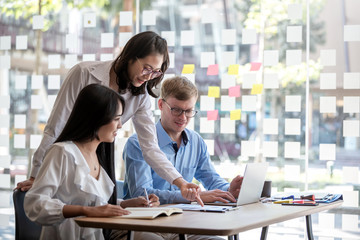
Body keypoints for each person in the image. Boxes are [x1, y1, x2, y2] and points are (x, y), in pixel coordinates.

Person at [16, 31, 203, 205]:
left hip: (101, 152)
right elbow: (56, 126)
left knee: (100, 209)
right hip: (70, 152)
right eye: (146, 68)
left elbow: (150, 148)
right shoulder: (84, 73)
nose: (149, 76)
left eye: (156, 72)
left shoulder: (141, 95)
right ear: (129, 56)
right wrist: (37, 175)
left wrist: (180, 183)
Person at [24, 84, 160, 240]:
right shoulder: (62, 152)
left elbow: (93, 202)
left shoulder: (98, 155)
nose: (120, 125)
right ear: (96, 118)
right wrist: (85, 211)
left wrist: (126, 203)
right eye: (116, 119)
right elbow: (34, 204)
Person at [117, 76, 243, 240]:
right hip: (144, 224)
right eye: (176, 110)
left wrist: (228, 191)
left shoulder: (195, 141)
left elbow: (211, 179)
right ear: (161, 105)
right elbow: (142, 194)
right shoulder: (137, 143)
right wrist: (188, 196)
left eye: (189, 111)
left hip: (183, 225)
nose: (183, 117)